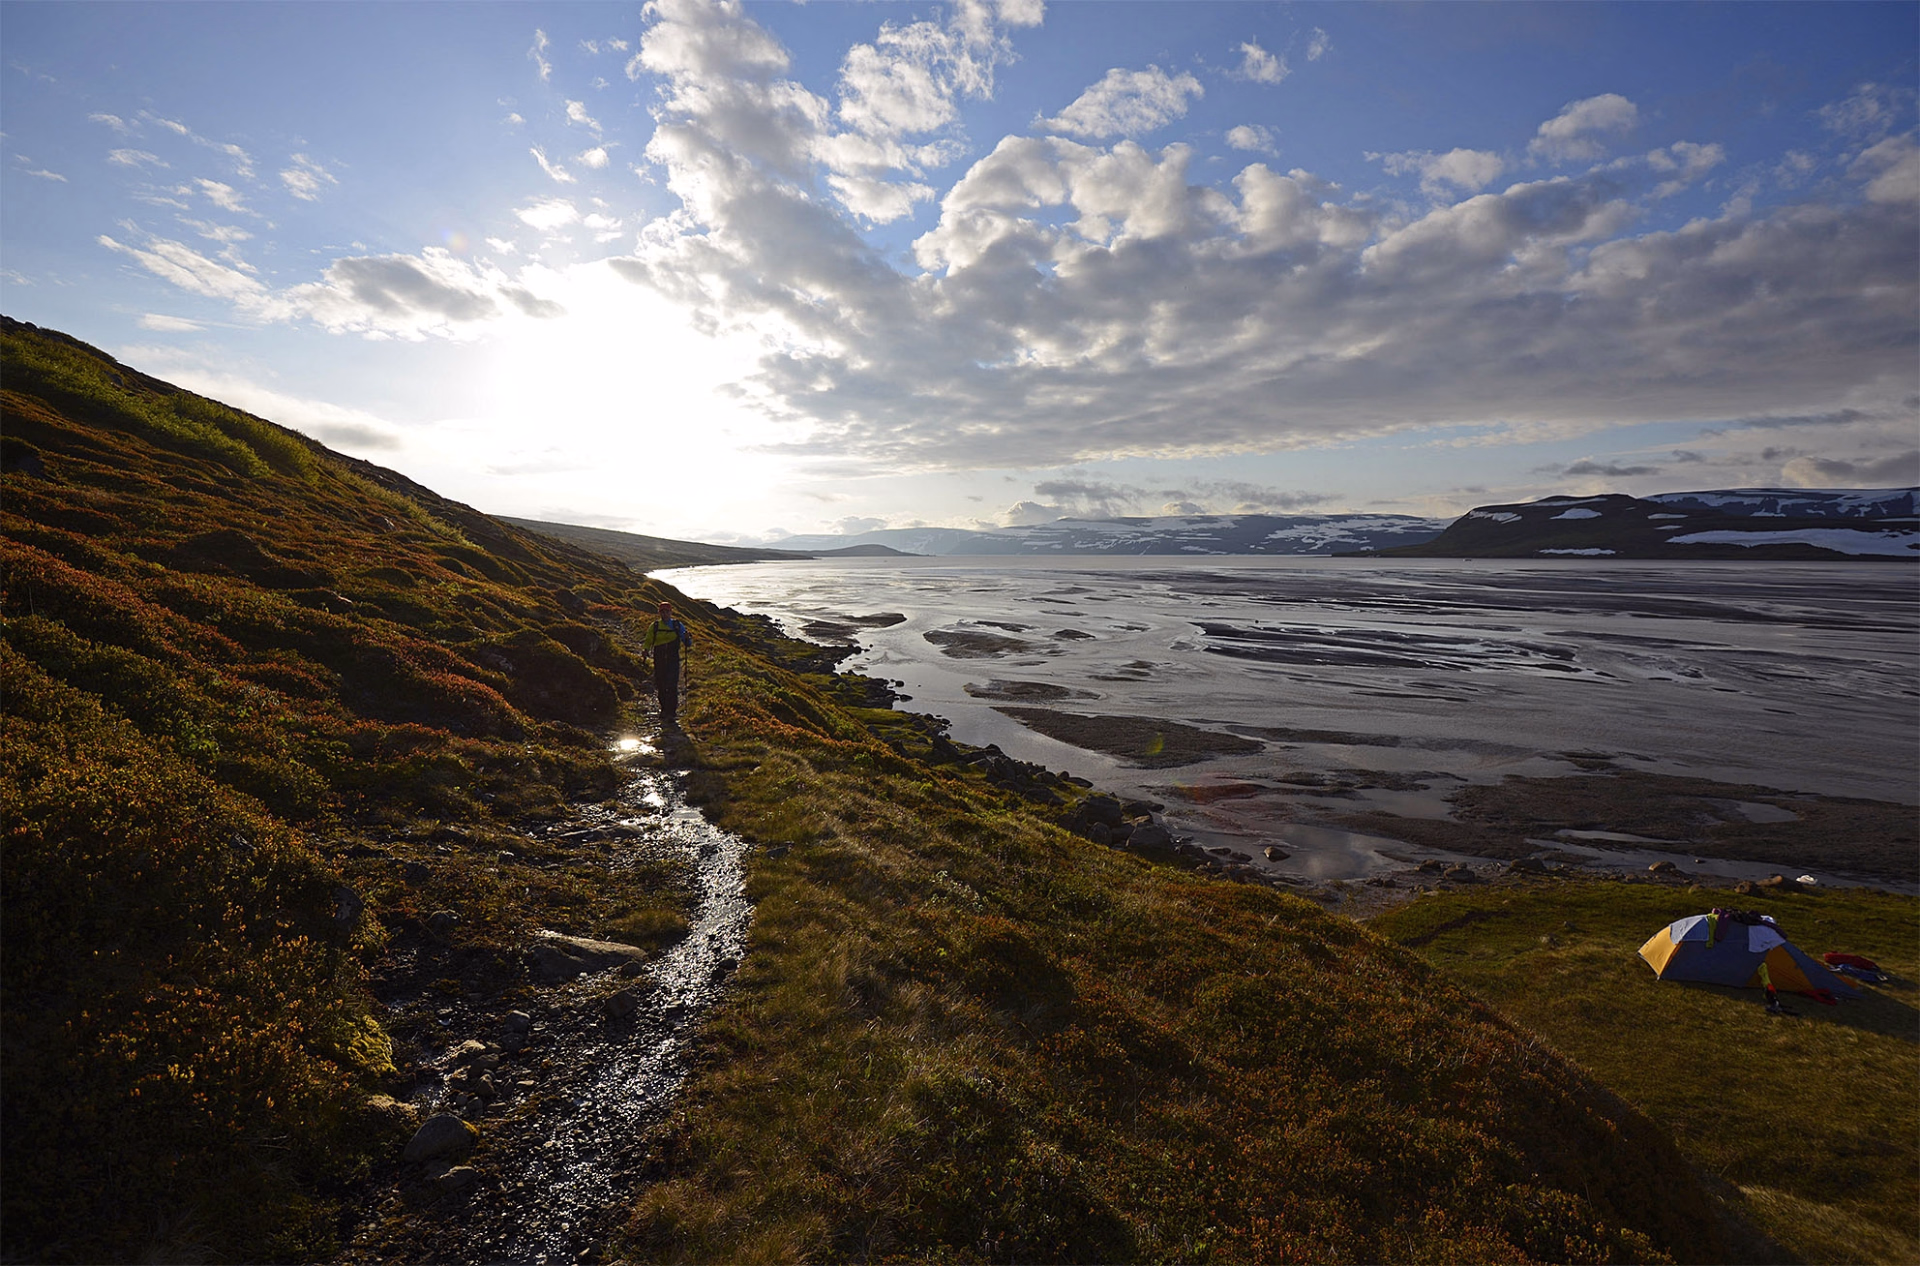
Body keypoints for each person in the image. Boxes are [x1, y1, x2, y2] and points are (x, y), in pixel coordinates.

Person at [642, 600, 693, 728]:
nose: (665, 614)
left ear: (671, 612)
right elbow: (648, 640)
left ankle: (671, 712)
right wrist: (645, 650)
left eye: (667, 611)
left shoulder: (677, 625)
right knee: (661, 684)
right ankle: (664, 709)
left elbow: (687, 642)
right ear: (659, 613)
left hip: (672, 660)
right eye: (662, 612)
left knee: (671, 684)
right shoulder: (654, 626)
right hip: (659, 659)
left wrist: (687, 639)